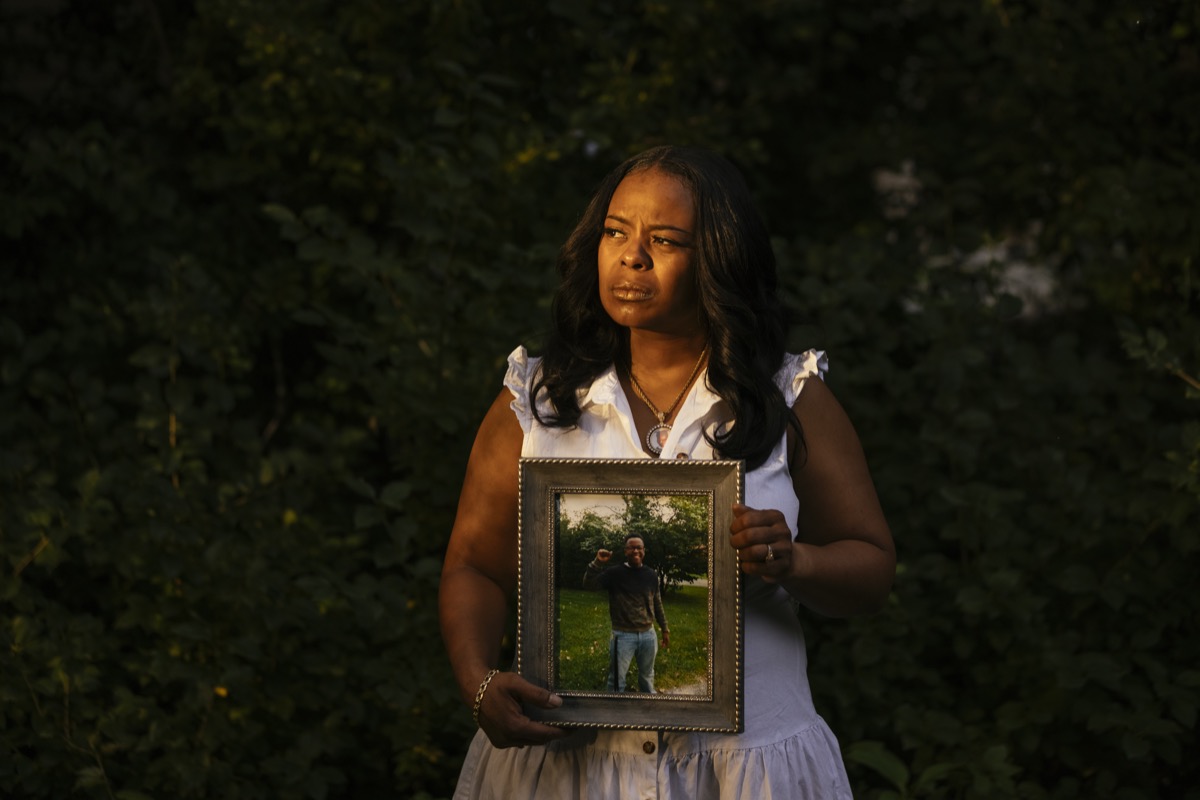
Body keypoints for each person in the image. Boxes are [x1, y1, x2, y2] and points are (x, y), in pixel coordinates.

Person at [439, 145, 895, 799]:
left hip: (746, 773)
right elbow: (473, 567)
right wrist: (478, 682)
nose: (631, 257)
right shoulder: (538, 400)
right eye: (616, 232)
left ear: (718, 257)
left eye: (666, 240)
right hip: (562, 772)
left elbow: (873, 570)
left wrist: (794, 563)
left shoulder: (789, 398)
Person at [582, 534, 670, 693]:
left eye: (639, 547)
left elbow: (657, 603)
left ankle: (649, 708)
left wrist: (664, 628)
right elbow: (589, 585)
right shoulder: (614, 573)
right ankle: (615, 713)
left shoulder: (651, 574)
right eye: (631, 547)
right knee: (616, 681)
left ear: (644, 551)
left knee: (647, 676)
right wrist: (596, 563)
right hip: (622, 636)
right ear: (625, 551)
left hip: (648, 635)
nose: (635, 550)